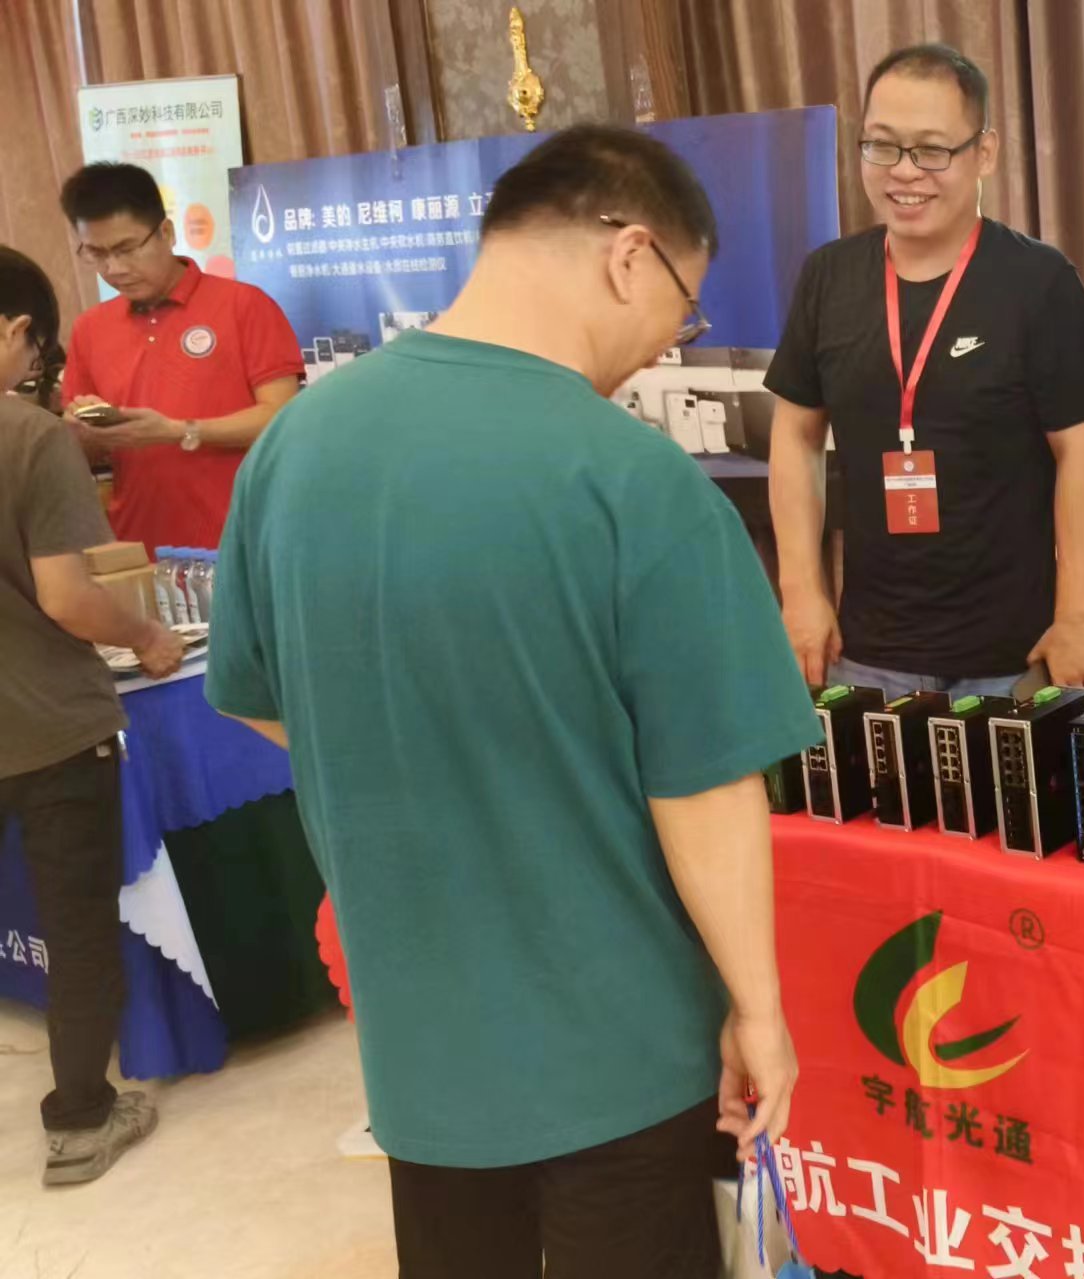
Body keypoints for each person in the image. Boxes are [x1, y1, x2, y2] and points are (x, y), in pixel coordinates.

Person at [202, 127, 815, 1277]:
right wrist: (758, 1007)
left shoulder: (295, 447)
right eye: (681, 310)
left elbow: (258, 698)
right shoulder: (635, 479)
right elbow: (705, 787)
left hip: (418, 1044)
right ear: (630, 256)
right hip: (615, 1043)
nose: (664, 343)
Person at [768, 43, 1084, 701]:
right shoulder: (828, 277)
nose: (905, 172)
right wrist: (801, 591)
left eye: (932, 150)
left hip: (1012, 655)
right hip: (864, 651)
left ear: (983, 152)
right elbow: (794, 437)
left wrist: (1076, 614)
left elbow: (1082, 451)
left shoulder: (1037, 281)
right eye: (882, 146)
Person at [0, 245, 184, 1186]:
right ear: (15, 331)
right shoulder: (30, 437)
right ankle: (79, 1122)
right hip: (50, 728)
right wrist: (147, 636)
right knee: (75, 924)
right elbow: (70, 597)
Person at [58, 161, 304, 551]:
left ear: (167, 232)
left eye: (126, 249)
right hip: (139, 545)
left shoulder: (243, 306)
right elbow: (83, 455)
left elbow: (283, 419)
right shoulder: (90, 328)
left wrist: (179, 431)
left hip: (240, 541)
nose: (114, 268)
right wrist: (82, 432)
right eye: (96, 253)